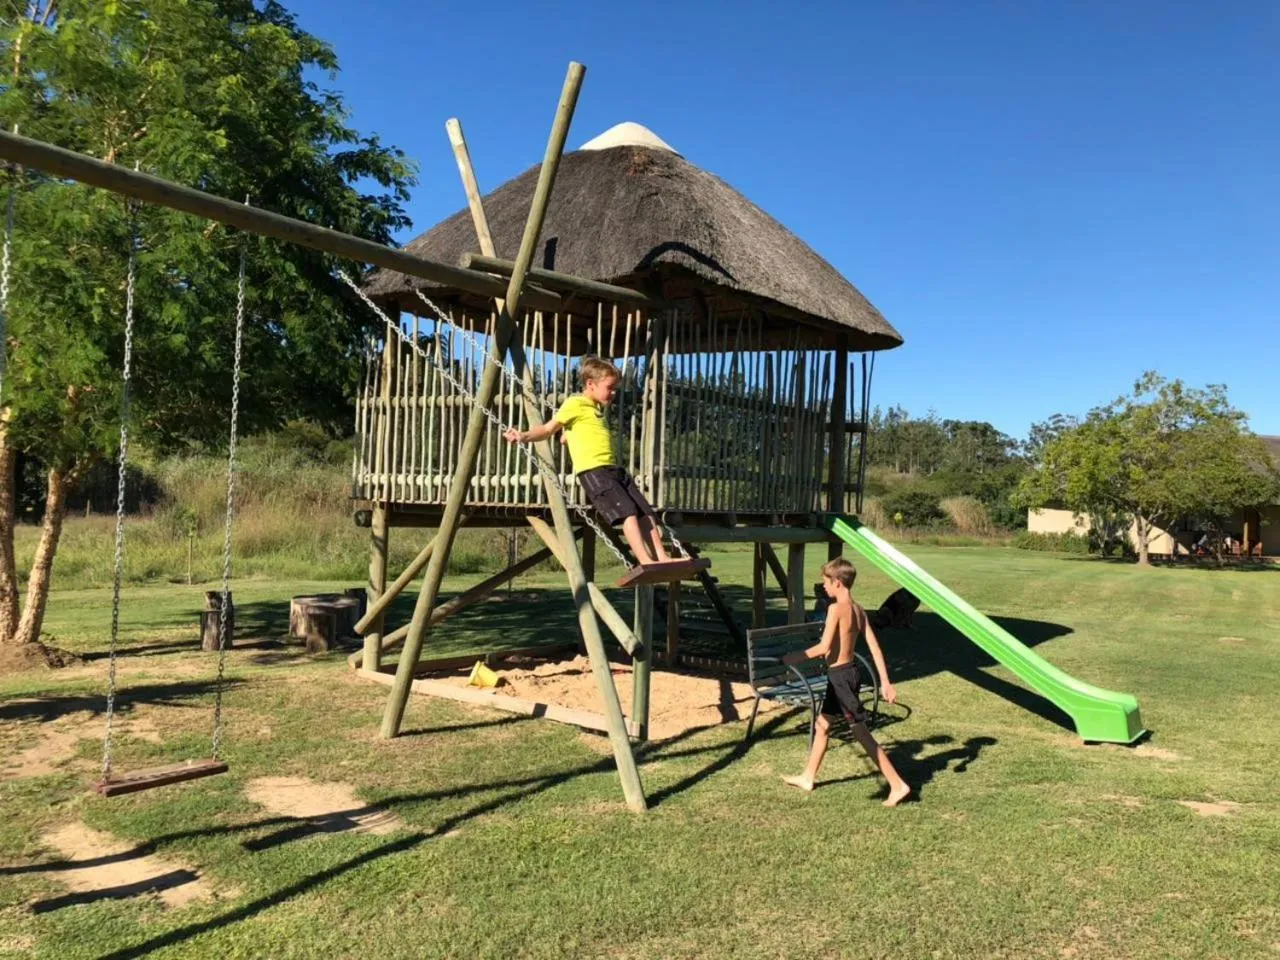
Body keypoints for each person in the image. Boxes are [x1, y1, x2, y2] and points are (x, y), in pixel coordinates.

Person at [503, 356, 673, 565]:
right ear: (591, 384)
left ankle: (662, 557)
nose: (613, 393)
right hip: (594, 472)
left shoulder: (595, 408)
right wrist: (523, 435)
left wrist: (568, 435)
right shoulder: (575, 403)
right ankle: (646, 560)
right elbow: (548, 429)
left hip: (613, 470)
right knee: (628, 513)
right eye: (609, 388)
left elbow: (577, 430)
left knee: (645, 514)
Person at [782, 557, 911, 807]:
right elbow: (874, 648)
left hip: (841, 677)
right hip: (846, 673)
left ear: (838, 582)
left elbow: (823, 647)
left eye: (826, 583)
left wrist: (791, 658)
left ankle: (897, 785)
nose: (824, 588)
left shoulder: (836, 609)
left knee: (861, 733)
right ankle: (808, 777)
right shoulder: (859, 610)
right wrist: (885, 682)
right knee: (822, 725)